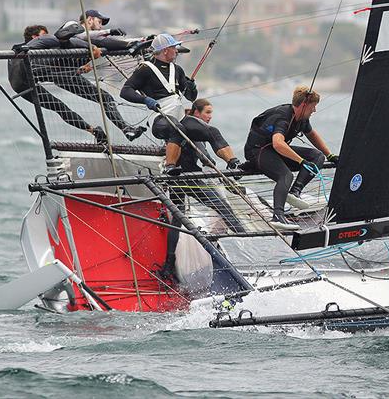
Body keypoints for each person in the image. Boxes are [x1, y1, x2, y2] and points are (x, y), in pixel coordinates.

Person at [120, 33, 240, 174]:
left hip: (179, 117)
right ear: (165, 50)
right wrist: (145, 100)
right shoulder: (145, 69)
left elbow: (191, 97)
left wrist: (191, 87)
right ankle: (170, 166)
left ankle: (233, 163)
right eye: (174, 47)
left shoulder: (177, 70)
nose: (177, 50)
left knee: (212, 131)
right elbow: (125, 91)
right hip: (158, 117)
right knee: (177, 129)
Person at [8, 24, 145, 144]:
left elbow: (49, 69)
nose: (47, 36)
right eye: (45, 34)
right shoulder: (39, 41)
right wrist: (91, 47)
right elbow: (62, 42)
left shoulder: (21, 50)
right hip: (37, 73)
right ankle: (125, 129)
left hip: (22, 83)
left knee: (60, 108)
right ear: (34, 37)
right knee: (104, 98)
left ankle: (94, 131)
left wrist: (77, 67)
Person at [157, 98, 246, 281]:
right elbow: (202, 154)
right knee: (222, 206)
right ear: (196, 113)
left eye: (211, 113)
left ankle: (168, 264)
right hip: (190, 179)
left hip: (176, 179)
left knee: (178, 219)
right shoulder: (190, 130)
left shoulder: (180, 130)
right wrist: (211, 160)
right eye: (207, 112)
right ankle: (246, 237)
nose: (210, 117)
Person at [242, 86, 338, 228]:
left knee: (317, 157)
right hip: (258, 150)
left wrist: (329, 155)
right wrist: (301, 161)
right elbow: (278, 143)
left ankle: (295, 192)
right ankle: (278, 217)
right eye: (313, 107)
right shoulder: (283, 116)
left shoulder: (301, 118)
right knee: (285, 175)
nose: (314, 110)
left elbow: (312, 135)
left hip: (274, 151)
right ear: (304, 105)